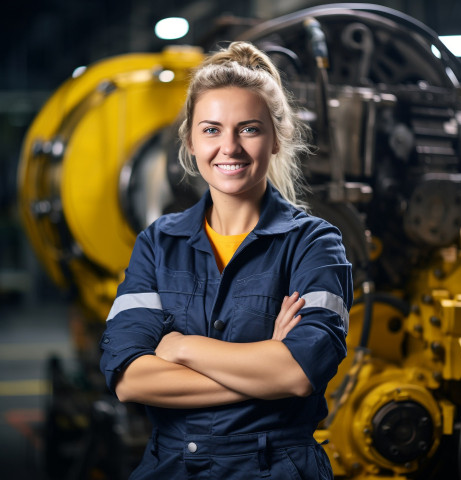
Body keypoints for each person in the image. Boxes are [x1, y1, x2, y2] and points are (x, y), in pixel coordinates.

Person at [100, 41, 353, 479]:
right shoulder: (158, 244)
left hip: (276, 468)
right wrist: (263, 368)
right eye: (212, 129)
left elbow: (296, 374)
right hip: (170, 467)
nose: (229, 147)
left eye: (249, 129)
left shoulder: (315, 245)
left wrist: (183, 347)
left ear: (276, 138)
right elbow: (129, 379)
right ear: (191, 140)